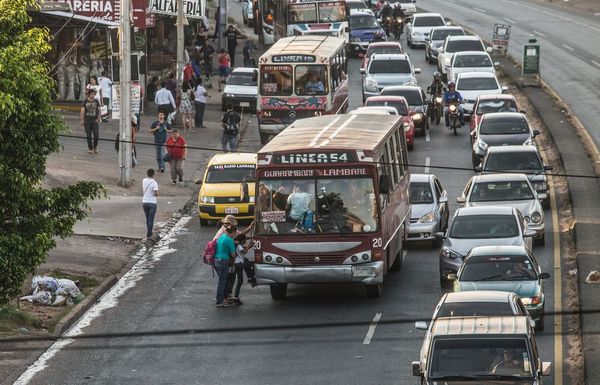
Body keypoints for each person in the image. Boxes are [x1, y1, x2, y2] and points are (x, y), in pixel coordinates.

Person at [214, 226, 237, 307]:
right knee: (222, 282)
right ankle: (219, 301)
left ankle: (222, 298)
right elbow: (233, 254)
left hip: (216, 260)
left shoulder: (221, 236)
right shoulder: (229, 240)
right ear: (233, 232)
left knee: (222, 281)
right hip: (224, 261)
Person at [80, 89, 101, 154]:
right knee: (88, 135)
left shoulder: (96, 101)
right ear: (89, 94)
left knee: (96, 135)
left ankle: (95, 147)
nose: (93, 95)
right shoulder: (85, 101)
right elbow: (82, 111)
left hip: (95, 120)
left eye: (94, 94)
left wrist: (98, 118)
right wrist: (82, 120)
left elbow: (99, 110)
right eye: (91, 94)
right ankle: (90, 148)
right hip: (87, 121)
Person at [142, 168, 159, 241]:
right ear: (153, 174)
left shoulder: (144, 181)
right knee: (151, 219)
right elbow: (156, 193)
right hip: (152, 203)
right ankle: (149, 235)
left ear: (147, 174)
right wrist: (156, 193)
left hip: (144, 202)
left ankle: (149, 232)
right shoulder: (154, 183)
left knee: (147, 219)